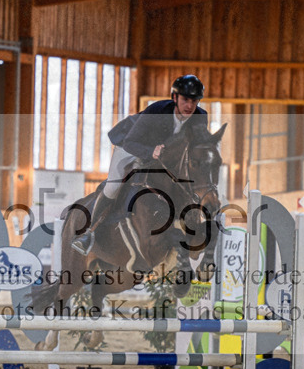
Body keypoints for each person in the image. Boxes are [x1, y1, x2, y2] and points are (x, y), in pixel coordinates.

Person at [71, 74, 208, 255]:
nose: (190, 106)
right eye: (185, 100)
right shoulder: (157, 111)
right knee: (113, 187)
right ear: (175, 97)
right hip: (132, 145)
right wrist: (151, 151)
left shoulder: (200, 117)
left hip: (163, 157)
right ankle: (89, 232)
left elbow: (199, 148)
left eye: (194, 101)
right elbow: (130, 142)